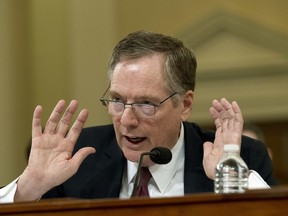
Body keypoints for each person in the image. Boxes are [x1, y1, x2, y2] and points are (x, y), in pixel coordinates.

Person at [0, 31, 276, 203]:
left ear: (185, 104)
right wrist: (29, 187)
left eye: (146, 104)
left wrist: (229, 180)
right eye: (118, 101)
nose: (127, 120)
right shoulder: (80, 156)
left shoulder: (238, 157)